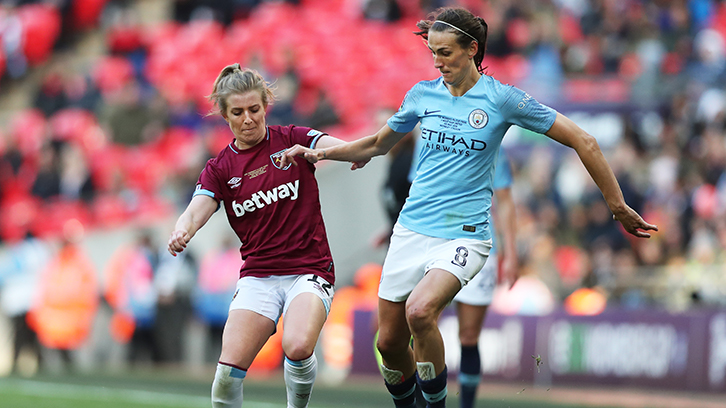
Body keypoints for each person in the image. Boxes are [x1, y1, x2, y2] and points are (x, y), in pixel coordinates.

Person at [280, 6, 658, 408]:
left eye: (445, 52)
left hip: (464, 235)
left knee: (420, 311)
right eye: (433, 53)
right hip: (411, 230)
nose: (437, 62)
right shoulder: (422, 95)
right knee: (389, 344)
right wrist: (320, 154)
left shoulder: (503, 99)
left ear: (471, 49)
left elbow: (585, 141)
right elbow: (376, 143)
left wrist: (617, 205)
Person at [167, 64, 360, 408]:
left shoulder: (292, 138)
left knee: (298, 346)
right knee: (227, 374)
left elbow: (348, 148)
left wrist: (329, 152)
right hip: (259, 276)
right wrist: (183, 229)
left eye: (254, 110)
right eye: (237, 112)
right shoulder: (221, 168)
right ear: (224, 116)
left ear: (266, 105)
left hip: (308, 269)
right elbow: (199, 206)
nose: (248, 119)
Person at [452, 148, 517, 408]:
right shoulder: (433, 135)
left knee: (468, 336)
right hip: (434, 238)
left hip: (480, 245)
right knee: (421, 322)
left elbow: (505, 201)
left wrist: (511, 254)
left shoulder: (493, 145)